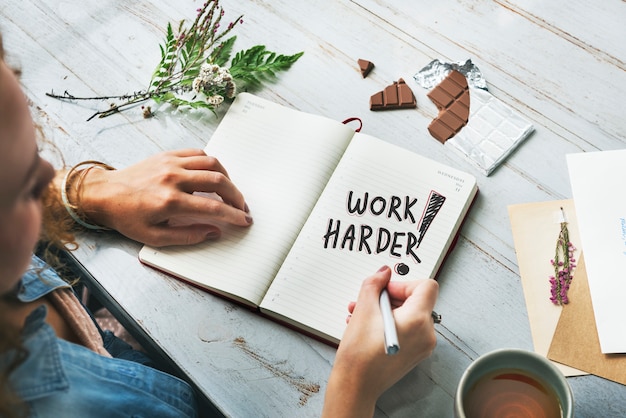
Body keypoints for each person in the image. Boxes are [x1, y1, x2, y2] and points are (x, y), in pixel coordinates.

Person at [0, 31, 438, 417]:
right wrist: (353, 389)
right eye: (19, 185)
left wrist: (84, 192)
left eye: (32, 142)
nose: (45, 175)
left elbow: (52, 187)